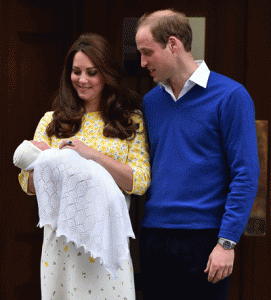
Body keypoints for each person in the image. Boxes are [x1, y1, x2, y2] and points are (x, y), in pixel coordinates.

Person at [135, 9, 259, 300]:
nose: (142, 62)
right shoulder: (151, 102)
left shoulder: (231, 95)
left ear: (173, 44)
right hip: (154, 236)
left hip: (205, 239)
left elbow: (245, 173)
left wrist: (227, 242)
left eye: (147, 52)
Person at [18, 33, 150, 299]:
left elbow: (139, 181)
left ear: (107, 75)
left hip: (108, 237)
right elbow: (26, 182)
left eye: (92, 72)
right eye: (76, 72)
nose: (82, 80)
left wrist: (92, 156)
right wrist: (57, 163)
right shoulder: (51, 121)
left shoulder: (129, 120)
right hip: (62, 242)